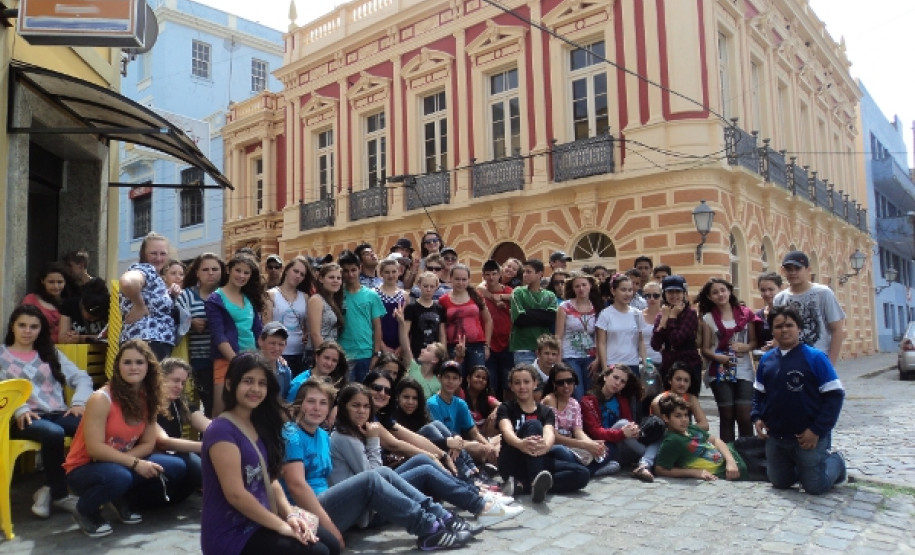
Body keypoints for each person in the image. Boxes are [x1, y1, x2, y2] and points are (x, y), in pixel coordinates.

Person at [281, 380, 491, 551]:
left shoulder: (321, 435)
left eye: (323, 403)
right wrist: (331, 530)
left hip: (333, 504)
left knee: (383, 472)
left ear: (330, 408)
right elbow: (297, 486)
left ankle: (440, 518)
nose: (317, 408)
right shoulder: (292, 435)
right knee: (374, 477)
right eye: (311, 402)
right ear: (299, 404)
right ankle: (428, 529)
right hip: (310, 513)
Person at [200, 353, 341, 555]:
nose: (256, 389)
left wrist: (290, 514)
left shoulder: (260, 423)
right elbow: (236, 495)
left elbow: (270, 478)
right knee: (317, 552)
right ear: (230, 384)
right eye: (248, 381)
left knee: (331, 544)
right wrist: (281, 526)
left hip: (263, 519)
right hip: (233, 533)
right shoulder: (222, 430)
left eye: (262, 383)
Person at [329, 383, 517, 528]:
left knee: (423, 458)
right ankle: (479, 506)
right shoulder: (346, 437)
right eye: (355, 406)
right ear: (343, 407)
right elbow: (374, 478)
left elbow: (409, 440)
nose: (362, 411)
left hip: (375, 494)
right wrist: (372, 441)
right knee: (426, 469)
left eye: (365, 406)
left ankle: (478, 496)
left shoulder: (362, 428)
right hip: (369, 510)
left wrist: (439, 454)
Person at [64, 340, 186, 537]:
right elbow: (94, 448)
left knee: (175, 466)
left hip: (119, 461)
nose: (133, 367)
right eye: (127, 362)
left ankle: (120, 497)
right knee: (121, 476)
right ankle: (84, 510)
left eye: (139, 362)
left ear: (149, 366)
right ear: (118, 365)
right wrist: (134, 463)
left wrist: (130, 461)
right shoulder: (101, 398)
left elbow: (148, 443)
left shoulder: (149, 397)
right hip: (84, 467)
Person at [1, 305, 90, 517]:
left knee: (91, 426)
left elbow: (82, 377)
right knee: (53, 433)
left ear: (41, 329)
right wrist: (19, 409)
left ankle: (50, 489)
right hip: (22, 418)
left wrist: (79, 402)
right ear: (12, 326)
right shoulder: (2, 355)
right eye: (22, 325)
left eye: (34, 326)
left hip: (57, 413)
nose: (27, 331)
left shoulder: (49, 353)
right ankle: (60, 495)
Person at [752, 306, 847, 495]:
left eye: (789, 325)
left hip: (808, 436)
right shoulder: (767, 360)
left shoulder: (816, 358)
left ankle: (837, 461)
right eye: (778, 326)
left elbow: (835, 395)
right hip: (777, 437)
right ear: (772, 331)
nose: (784, 330)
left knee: (814, 486)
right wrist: (757, 417)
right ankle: (801, 467)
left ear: (799, 328)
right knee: (780, 483)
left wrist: (816, 430)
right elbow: (758, 393)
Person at [496, 364, 590, 502]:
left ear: (535, 383)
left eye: (526, 382)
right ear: (511, 386)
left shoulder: (546, 411)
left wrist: (545, 446)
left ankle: (523, 486)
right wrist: (520, 443)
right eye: (517, 383)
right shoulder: (506, 408)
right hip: (512, 460)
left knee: (582, 474)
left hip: (538, 457)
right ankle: (536, 480)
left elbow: (549, 434)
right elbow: (506, 430)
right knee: (533, 424)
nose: (522, 386)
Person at [697, 278, 759, 443]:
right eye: (715, 292)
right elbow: (705, 349)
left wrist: (745, 347)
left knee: (745, 415)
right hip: (719, 370)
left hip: (744, 368)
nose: (720, 294)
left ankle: (748, 454)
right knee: (727, 415)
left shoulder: (746, 314)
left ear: (730, 291)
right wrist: (719, 357)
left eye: (723, 290)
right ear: (710, 297)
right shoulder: (708, 318)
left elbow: (754, 342)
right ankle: (729, 455)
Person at [205, 255, 265, 416]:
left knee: (248, 410)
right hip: (226, 360)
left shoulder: (249, 298)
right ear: (228, 270)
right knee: (221, 410)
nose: (242, 276)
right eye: (238, 270)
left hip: (251, 359)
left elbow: (258, 332)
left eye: (246, 273)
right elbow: (219, 336)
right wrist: (237, 363)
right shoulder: (216, 299)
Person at [580, 364, 654, 482]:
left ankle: (646, 460)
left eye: (623, 381)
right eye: (615, 377)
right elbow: (594, 432)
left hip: (621, 447)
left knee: (658, 430)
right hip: (602, 447)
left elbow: (629, 426)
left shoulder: (622, 400)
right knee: (622, 424)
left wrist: (633, 430)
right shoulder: (588, 401)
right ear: (605, 377)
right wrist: (622, 433)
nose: (618, 383)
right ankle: (650, 458)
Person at [540, 363, 615, 477]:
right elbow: (554, 437)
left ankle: (586, 470)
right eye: (561, 383)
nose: (566, 386)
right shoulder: (550, 400)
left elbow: (578, 431)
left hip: (573, 446)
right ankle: (591, 470)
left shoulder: (574, 403)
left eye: (569, 381)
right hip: (555, 446)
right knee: (561, 451)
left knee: (609, 447)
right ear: (554, 384)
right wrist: (585, 445)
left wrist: (592, 444)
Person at [153, 358, 209, 505]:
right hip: (155, 455)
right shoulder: (148, 403)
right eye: (175, 380)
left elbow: (208, 425)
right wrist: (206, 446)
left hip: (176, 454)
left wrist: (230, 435)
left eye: (183, 383)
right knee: (195, 460)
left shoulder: (179, 402)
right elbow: (163, 442)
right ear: (160, 377)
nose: (179, 386)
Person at [772, 250, 846, 363]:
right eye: (789, 269)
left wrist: (830, 364)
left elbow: (837, 330)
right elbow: (777, 332)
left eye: (797, 268)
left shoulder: (823, 293)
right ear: (783, 271)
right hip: (789, 360)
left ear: (808, 270)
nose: (793, 273)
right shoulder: (779, 298)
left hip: (817, 359)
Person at [654, 394, 748, 481]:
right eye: (678, 416)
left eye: (686, 415)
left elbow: (715, 440)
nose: (684, 420)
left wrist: (730, 461)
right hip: (742, 465)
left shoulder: (691, 428)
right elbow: (660, 470)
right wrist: (694, 472)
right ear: (666, 418)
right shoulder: (672, 440)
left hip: (735, 449)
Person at [178, 253, 226, 416]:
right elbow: (174, 321)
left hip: (225, 357)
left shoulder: (226, 295)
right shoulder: (186, 295)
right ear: (197, 272)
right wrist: (190, 323)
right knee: (209, 403)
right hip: (200, 360)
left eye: (215, 269)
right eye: (205, 269)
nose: (210, 273)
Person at [118, 232, 177, 360]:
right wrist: (139, 305)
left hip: (154, 342)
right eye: (153, 253)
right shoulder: (144, 269)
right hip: (146, 342)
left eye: (163, 254)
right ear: (144, 254)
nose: (158, 258)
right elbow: (127, 282)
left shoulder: (158, 278)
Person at [427, 362, 498, 466]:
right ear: (439, 378)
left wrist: (489, 446)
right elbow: (440, 435)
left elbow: (474, 433)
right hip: (444, 444)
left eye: (455, 378)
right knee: (478, 449)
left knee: (498, 441)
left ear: (460, 381)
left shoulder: (460, 403)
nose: (450, 382)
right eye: (447, 377)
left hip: (460, 442)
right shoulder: (432, 403)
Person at [337, 250, 385, 383]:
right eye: (345, 271)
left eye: (353, 270)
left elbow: (377, 326)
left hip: (366, 354)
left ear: (360, 269)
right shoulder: (337, 295)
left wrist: (376, 354)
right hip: (343, 353)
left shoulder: (372, 295)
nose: (350, 274)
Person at [263, 256, 315, 376]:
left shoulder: (305, 297)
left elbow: (307, 324)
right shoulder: (270, 295)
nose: (298, 276)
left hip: (300, 353)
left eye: (302, 274)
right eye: (295, 271)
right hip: (278, 352)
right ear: (287, 270)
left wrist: (306, 333)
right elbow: (266, 326)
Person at [651, 275, 702, 395]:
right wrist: (662, 323)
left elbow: (676, 340)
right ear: (664, 294)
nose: (674, 296)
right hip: (669, 366)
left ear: (684, 293)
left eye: (678, 291)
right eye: (670, 292)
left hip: (689, 364)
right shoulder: (661, 315)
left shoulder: (690, 313)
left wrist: (672, 317)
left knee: (688, 404)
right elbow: (655, 344)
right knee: (669, 405)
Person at [554, 271, 601, 399]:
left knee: (591, 394)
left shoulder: (596, 306)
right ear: (572, 288)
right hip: (569, 356)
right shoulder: (564, 307)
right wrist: (558, 361)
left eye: (584, 285)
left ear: (590, 286)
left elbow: (599, 335)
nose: (581, 289)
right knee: (577, 393)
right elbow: (558, 335)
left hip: (590, 357)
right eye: (577, 286)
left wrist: (598, 358)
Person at [439, 264, 492, 374]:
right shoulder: (443, 300)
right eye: (457, 279)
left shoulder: (476, 296)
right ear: (451, 279)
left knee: (478, 378)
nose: (460, 282)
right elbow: (442, 328)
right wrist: (444, 349)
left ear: (468, 280)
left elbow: (488, 320)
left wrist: (487, 345)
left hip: (477, 345)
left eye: (464, 279)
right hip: (453, 346)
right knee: (455, 377)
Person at [595, 273, 645, 378]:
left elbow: (641, 340)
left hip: (633, 365)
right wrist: (605, 368)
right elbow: (601, 343)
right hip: (612, 365)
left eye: (630, 290)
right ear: (613, 291)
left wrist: (645, 362)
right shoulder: (605, 314)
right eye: (623, 290)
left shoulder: (637, 314)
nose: (627, 294)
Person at [476, 260, 513, 399]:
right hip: (488, 343)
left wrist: (504, 305)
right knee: (490, 382)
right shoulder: (479, 293)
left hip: (507, 343)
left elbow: (516, 316)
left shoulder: (509, 292)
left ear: (500, 274)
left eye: (494, 274)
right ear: (483, 276)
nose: (491, 277)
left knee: (508, 381)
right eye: (487, 274)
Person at [509, 259, 557, 366]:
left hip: (544, 349)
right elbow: (519, 318)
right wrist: (542, 314)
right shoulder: (518, 292)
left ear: (540, 274)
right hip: (522, 347)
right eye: (524, 272)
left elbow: (550, 318)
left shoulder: (550, 295)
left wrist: (528, 312)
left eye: (529, 272)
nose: (525, 275)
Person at [396, 304, 445, 399]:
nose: (422, 350)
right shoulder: (413, 367)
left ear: (435, 359)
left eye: (428, 350)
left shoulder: (438, 383)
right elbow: (405, 345)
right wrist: (401, 324)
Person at [650, 362, 709, 431]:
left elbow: (705, 425)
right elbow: (662, 430)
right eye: (678, 379)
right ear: (670, 380)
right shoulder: (658, 402)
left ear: (690, 384)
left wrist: (686, 429)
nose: (682, 384)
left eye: (686, 381)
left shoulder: (691, 398)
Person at [22, 262, 71, 343]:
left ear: (65, 282)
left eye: (60, 282)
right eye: (51, 282)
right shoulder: (31, 300)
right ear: (42, 281)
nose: (56, 286)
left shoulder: (70, 303)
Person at [403, 271, 447, 359]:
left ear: (436, 287)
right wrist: (408, 353)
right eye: (425, 286)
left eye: (432, 286)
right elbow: (405, 333)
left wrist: (443, 353)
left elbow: (442, 334)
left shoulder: (439, 309)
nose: (428, 289)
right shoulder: (411, 308)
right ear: (419, 285)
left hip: (435, 354)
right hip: (416, 352)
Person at [59, 277, 109, 343]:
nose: (93, 320)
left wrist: (81, 338)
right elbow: (62, 338)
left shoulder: (110, 308)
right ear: (82, 305)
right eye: (90, 316)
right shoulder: (69, 305)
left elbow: (112, 337)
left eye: (97, 316)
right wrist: (71, 338)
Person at [307, 263, 344, 349]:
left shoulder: (334, 301)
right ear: (321, 279)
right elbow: (315, 334)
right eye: (331, 277)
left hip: (331, 351)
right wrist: (323, 355)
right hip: (318, 352)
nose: (336, 280)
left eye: (339, 278)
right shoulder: (317, 300)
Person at [375, 258, 406, 354]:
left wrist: (402, 347)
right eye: (387, 272)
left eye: (394, 272)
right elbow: (372, 323)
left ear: (399, 272)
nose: (391, 275)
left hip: (399, 343)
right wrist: (382, 346)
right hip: (380, 342)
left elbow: (407, 323)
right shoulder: (374, 294)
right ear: (381, 273)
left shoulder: (405, 295)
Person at [462, 365, 501, 438]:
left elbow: (502, 405)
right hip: (466, 435)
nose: (480, 380)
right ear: (468, 378)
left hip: (484, 436)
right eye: (477, 376)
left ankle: (489, 445)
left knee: (498, 415)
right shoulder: (461, 395)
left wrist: (495, 411)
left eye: (484, 378)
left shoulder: (487, 399)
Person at [258, 322, 293, 401]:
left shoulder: (285, 371)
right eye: (272, 343)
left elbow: (284, 400)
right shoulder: (250, 366)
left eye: (281, 344)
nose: (276, 348)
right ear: (260, 341)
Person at [755, 272, 784, 350]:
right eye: (763, 290)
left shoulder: (789, 313)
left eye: (771, 289)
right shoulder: (758, 315)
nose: (767, 293)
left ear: (780, 288)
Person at [639, 281, 663, 365]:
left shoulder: (667, 315)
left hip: (663, 362)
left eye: (656, 296)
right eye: (648, 296)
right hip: (642, 362)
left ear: (661, 296)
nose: (652, 299)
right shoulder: (638, 315)